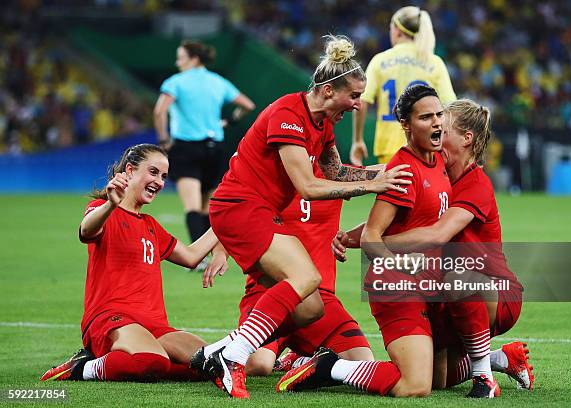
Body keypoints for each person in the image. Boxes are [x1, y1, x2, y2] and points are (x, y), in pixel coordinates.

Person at [201, 35, 412, 399]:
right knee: (307, 276)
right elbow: (310, 186)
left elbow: (336, 172)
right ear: (328, 91)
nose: (358, 105)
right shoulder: (288, 113)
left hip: (258, 212)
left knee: (310, 305)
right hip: (238, 207)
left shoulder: (322, 124)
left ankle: (217, 352)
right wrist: (374, 187)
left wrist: (387, 171)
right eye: (354, 96)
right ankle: (233, 357)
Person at [283, 98, 533, 399]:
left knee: (457, 276)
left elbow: (438, 234)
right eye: (433, 118)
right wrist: (353, 235)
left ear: (467, 139)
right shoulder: (432, 169)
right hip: (442, 291)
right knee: (434, 379)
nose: (437, 125)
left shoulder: (476, 183)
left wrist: (373, 242)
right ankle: (501, 359)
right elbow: (402, 220)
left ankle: (483, 375)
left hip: (493, 292)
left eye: (444, 121)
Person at [40, 144, 227, 383]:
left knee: (214, 363)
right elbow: (86, 231)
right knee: (152, 361)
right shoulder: (102, 210)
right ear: (129, 171)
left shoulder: (150, 225)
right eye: (153, 172)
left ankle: (152, 358)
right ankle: (81, 368)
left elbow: (191, 256)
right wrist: (110, 204)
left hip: (154, 326)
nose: (159, 182)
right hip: (111, 318)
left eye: (164, 177)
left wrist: (226, 218)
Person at [201, 167, 374, 379]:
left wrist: (408, 168)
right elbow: (231, 214)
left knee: (362, 363)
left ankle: (298, 361)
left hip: (321, 298)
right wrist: (220, 251)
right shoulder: (269, 180)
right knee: (259, 365)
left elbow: (378, 172)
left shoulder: (334, 177)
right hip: (269, 294)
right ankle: (226, 352)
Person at [153, 40, 255, 269]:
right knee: (208, 205)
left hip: (186, 147)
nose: (177, 62)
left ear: (193, 59)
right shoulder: (218, 82)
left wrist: (163, 140)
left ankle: (197, 258)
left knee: (191, 205)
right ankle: (211, 255)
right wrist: (228, 121)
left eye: (180, 57)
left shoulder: (176, 82)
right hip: (215, 147)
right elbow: (248, 104)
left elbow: (159, 111)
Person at [351, 5, 456, 166]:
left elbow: (361, 102)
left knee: (394, 190)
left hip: (388, 146)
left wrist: (357, 140)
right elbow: (450, 106)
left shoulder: (380, 60)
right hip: (425, 143)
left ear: (397, 30)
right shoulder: (434, 63)